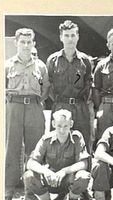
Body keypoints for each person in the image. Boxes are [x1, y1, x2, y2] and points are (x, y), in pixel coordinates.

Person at [5, 28, 50, 200]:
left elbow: (45, 89)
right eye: (22, 41)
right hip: (13, 107)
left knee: (35, 151)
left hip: (34, 106)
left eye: (29, 41)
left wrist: (35, 102)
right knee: (12, 149)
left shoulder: (41, 66)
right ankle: (7, 195)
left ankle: (30, 193)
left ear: (33, 43)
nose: (25, 45)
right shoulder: (7, 65)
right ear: (16, 43)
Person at [23, 109, 91, 200]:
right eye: (59, 126)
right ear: (53, 124)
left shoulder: (77, 138)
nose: (62, 130)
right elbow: (31, 163)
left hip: (68, 180)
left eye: (65, 126)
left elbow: (84, 164)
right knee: (29, 176)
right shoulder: (46, 139)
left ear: (71, 124)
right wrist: (46, 172)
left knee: (83, 176)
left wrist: (64, 171)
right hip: (50, 179)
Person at [46, 20, 92, 152]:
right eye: (66, 35)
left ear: (77, 37)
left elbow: (88, 83)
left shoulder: (85, 61)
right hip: (60, 105)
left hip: (80, 108)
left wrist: (80, 102)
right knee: (57, 144)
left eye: (73, 35)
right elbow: (48, 84)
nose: (70, 39)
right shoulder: (53, 60)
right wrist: (59, 101)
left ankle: (84, 171)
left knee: (82, 143)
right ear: (61, 37)